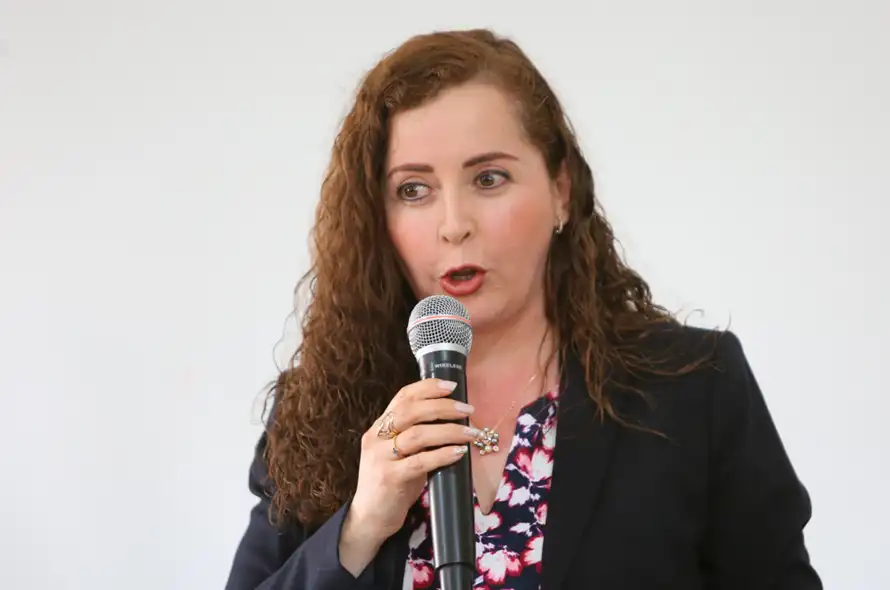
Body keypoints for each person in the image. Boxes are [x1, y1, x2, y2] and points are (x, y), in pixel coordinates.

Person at [224, 28, 823, 590]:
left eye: (489, 179)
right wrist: (357, 529)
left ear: (561, 191)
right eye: (414, 189)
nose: (454, 225)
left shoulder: (694, 387)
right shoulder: (321, 409)